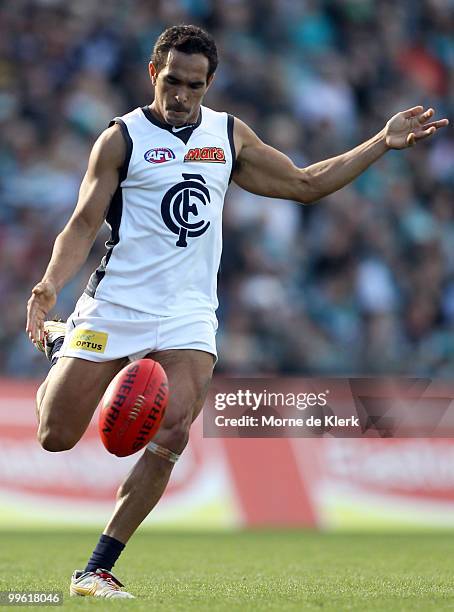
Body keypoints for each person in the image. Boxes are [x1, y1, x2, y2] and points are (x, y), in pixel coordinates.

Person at [25, 24, 449, 599]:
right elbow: (82, 222)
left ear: (209, 84)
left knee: (173, 429)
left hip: (189, 312)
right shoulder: (122, 138)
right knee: (54, 435)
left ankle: (97, 565)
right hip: (116, 305)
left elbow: (303, 183)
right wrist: (49, 285)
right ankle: (63, 344)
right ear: (154, 73)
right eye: (171, 81)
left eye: (194, 86)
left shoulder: (227, 135)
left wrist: (379, 141)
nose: (180, 95)